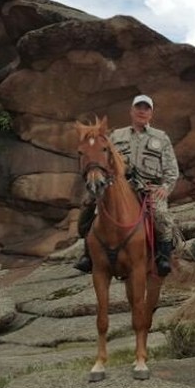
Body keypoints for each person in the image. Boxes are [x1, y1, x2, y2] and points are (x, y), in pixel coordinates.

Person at [75, 94, 179, 277]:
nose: (142, 111)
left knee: (162, 216)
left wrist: (165, 188)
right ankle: (87, 255)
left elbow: (171, 169)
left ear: (151, 113)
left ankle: (163, 257)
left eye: (146, 108)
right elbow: (104, 159)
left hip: (148, 188)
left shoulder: (161, 138)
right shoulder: (116, 136)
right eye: (138, 107)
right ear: (131, 111)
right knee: (89, 206)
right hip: (118, 185)